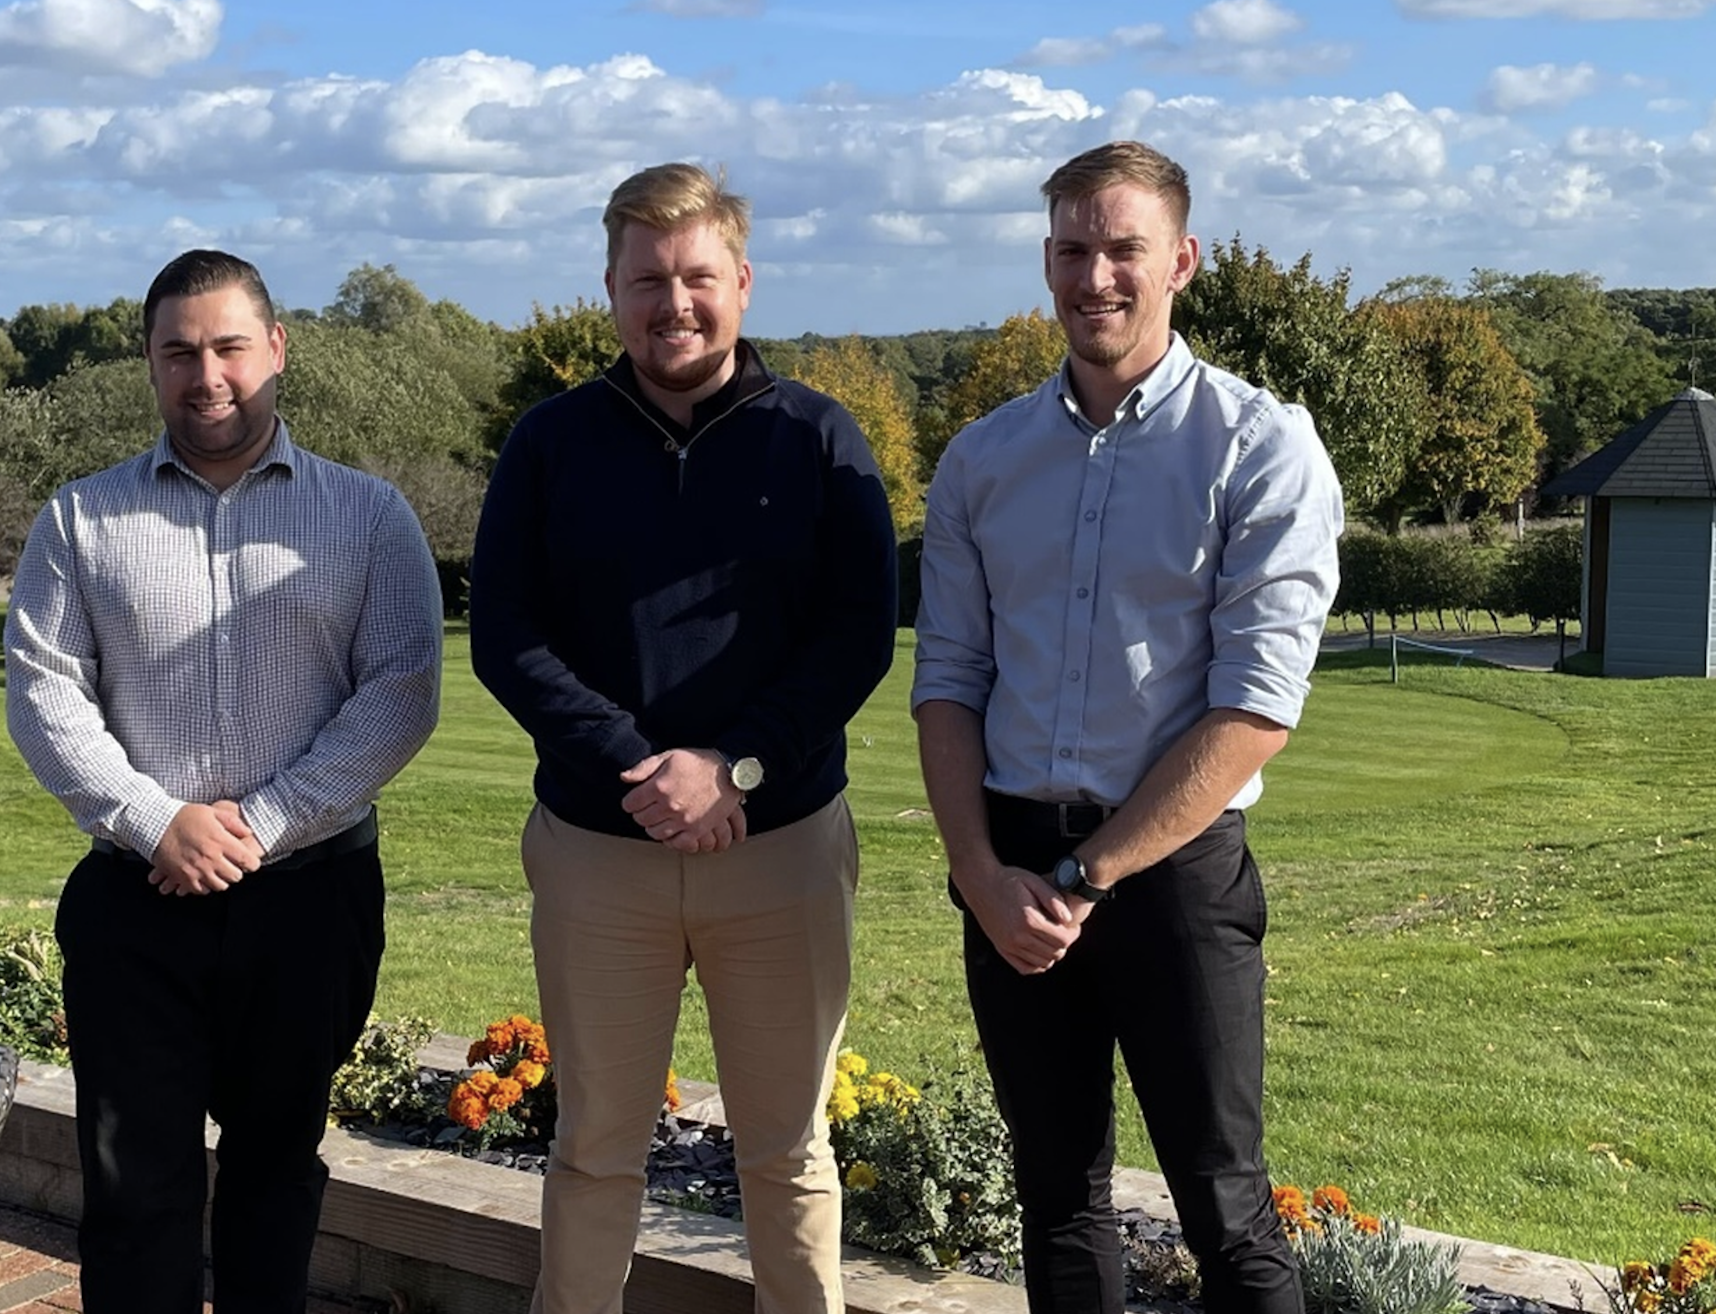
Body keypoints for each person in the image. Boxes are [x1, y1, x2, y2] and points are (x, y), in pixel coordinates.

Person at [910, 140, 1344, 1314]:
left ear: (1180, 262)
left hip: (1168, 881)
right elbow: (946, 678)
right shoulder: (982, 460)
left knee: (1226, 1210)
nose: (1092, 276)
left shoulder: (1258, 447)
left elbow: (1256, 707)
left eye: (1121, 249)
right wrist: (978, 874)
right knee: (1054, 1197)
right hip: (1004, 868)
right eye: (1069, 249)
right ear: (1043, 261)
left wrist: (1086, 874)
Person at [468, 162, 899, 1314]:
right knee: (595, 1147)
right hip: (598, 853)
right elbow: (504, 635)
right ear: (608, 287)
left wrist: (731, 766)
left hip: (781, 847)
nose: (674, 304)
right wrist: (641, 767)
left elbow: (857, 635)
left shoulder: (818, 438)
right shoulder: (548, 442)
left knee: (787, 1150)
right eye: (647, 279)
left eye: (697, 276)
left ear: (742, 282)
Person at [5, 248, 443, 1313]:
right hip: (134, 904)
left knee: (275, 1171)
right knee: (132, 1189)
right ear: (149, 365)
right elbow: (44, 693)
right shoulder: (79, 520)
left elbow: (400, 689)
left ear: (276, 350)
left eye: (229, 346)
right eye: (180, 351)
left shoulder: (368, 516)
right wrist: (158, 824)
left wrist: (257, 824)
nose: (208, 374)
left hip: (309, 904)